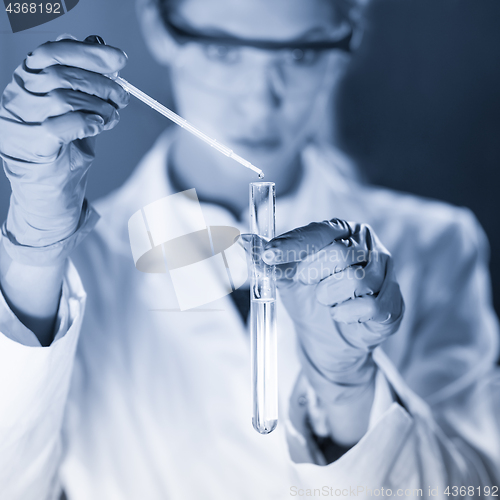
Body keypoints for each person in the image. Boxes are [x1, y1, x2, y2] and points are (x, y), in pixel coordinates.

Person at [0, 0, 499, 498]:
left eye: (301, 54)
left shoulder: (436, 247)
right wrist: (34, 258)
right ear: (157, 25)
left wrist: (349, 389)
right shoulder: (67, 276)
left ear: (346, 41)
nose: (261, 102)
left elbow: (476, 490)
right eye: (222, 49)